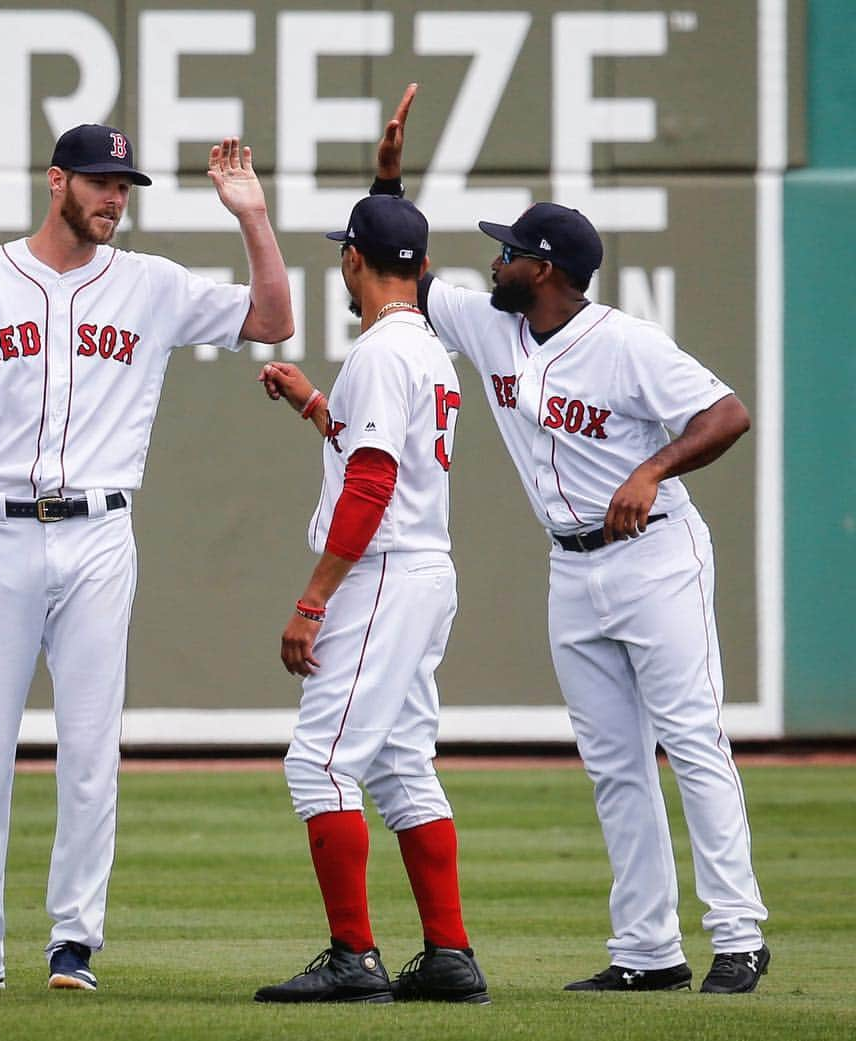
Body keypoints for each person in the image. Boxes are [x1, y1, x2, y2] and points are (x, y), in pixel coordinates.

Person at [0, 123, 293, 992]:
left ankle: (73, 944)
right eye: (99, 181)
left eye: (123, 184)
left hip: (99, 534)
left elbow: (274, 320)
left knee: (89, 749)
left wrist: (253, 218)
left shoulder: (148, 284)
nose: (113, 197)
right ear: (56, 180)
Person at [368, 85, 770, 994]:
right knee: (615, 766)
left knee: (693, 741)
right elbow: (405, 271)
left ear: (544, 269)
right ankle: (648, 952)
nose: (497, 257)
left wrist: (652, 468)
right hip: (571, 566)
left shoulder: (625, 343)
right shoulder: (494, 325)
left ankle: (739, 935)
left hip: (657, 555)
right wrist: (388, 177)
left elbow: (728, 413)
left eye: (511, 249)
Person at [253, 193, 489, 1005]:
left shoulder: (383, 353)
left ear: (355, 260)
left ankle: (354, 957)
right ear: (419, 267)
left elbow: (374, 481)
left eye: (341, 254)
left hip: (383, 569)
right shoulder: (425, 348)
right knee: (398, 765)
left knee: (319, 765)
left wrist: (313, 599)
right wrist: (319, 405)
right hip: (426, 568)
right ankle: (449, 955)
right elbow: (382, 452)